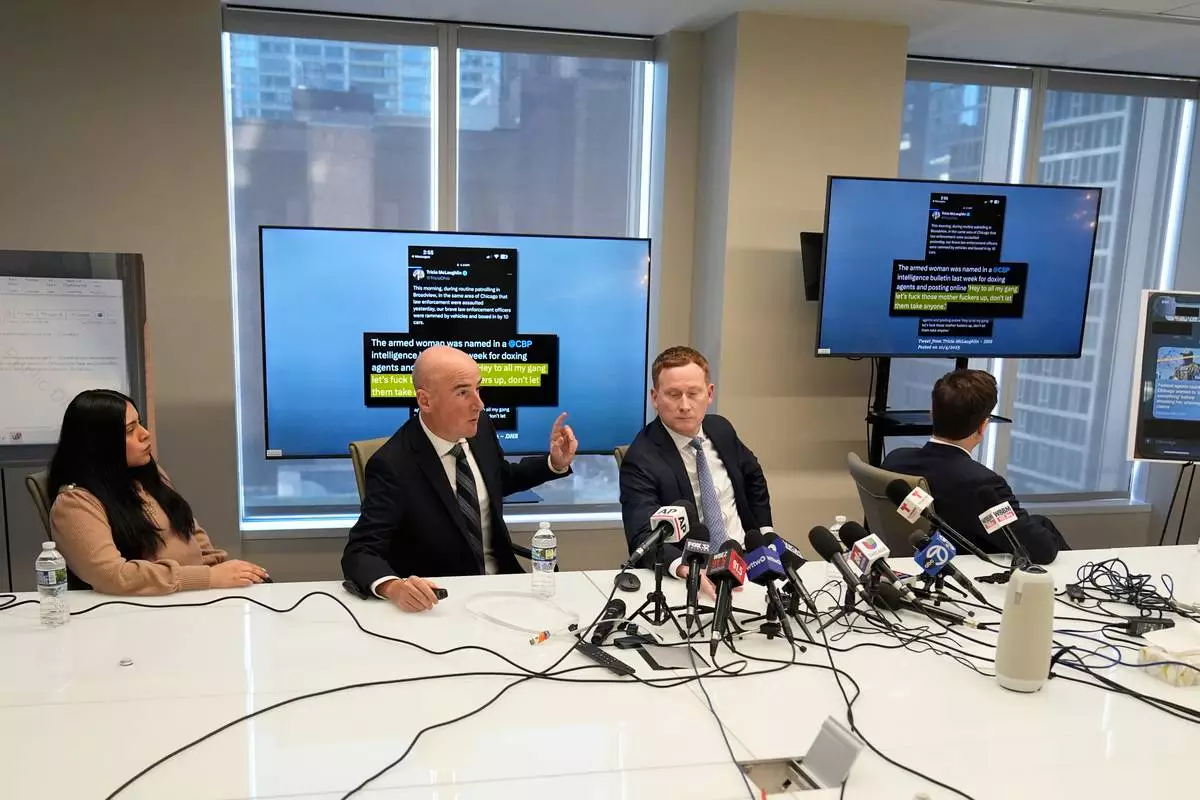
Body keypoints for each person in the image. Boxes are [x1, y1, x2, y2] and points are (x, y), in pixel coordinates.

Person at [341, 346, 578, 613]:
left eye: (478, 389)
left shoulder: (480, 427)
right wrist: (393, 587)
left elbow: (498, 478)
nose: (479, 404)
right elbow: (360, 551)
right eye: (463, 392)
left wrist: (554, 463)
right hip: (444, 601)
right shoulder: (392, 464)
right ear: (425, 401)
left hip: (504, 587)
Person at [48, 389, 270, 595]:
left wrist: (223, 571)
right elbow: (113, 575)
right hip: (145, 610)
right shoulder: (75, 503)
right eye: (130, 430)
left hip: (192, 596)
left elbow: (190, 532)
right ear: (99, 444)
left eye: (140, 423)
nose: (145, 434)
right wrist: (208, 578)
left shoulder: (149, 474)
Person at [619, 346, 773, 597]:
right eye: (673, 394)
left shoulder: (721, 429)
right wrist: (687, 570)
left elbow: (753, 477)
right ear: (654, 398)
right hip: (695, 571)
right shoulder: (641, 458)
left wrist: (766, 532)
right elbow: (643, 535)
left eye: (693, 393)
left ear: (709, 393)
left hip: (748, 561)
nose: (684, 405)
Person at [882, 369, 1068, 564]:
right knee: (1044, 531)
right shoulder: (981, 484)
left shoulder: (895, 460)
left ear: (932, 414)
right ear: (983, 426)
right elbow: (1041, 551)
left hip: (906, 567)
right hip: (965, 572)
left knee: (1041, 523)